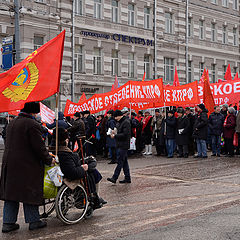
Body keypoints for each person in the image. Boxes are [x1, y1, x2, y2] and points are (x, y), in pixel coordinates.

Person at [0, 102, 54, 233]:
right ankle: (34, 221)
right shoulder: (32, 124)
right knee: (29, 191)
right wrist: (49, 159)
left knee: (11, 194)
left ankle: (8, 223)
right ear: (33, 112)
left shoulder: (12, 123)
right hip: (26, 165)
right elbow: (39, 147)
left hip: (10, 163)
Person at [50, 128, 106, 207]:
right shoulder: (64, 153)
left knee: (92, 166)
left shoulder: (54, 149)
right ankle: (93, 197)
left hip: (68, 169)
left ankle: (95, 196)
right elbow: (72, 172)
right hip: (70, 175)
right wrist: (83, 168)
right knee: (93, 171)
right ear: (65, 139)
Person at [107, 110, 131, 184]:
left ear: (120, 116)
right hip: (119, 144)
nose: (115, 118)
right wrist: (114, 132)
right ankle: (127, 178)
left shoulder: (126, 122)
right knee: (124, 162)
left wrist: (115, 136)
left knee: (120, 161)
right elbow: (119, 131)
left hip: (124, 144)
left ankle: (114, 177)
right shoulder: (119, 122)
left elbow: (125, 134)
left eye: (116, 117)